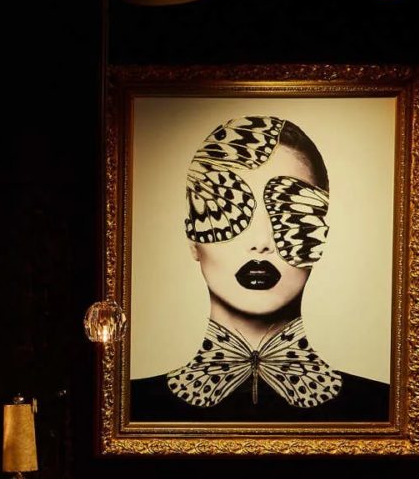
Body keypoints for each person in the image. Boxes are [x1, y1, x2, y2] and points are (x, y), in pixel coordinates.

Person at [130, 115, 389, 422]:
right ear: (192, 237)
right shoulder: (133, 409)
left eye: (289, 212)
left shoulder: (380, 408)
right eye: (227, 208)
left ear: (319, 235)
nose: (261, 242)